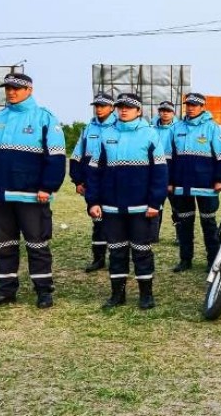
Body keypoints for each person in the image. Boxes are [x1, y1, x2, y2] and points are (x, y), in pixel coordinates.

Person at [0, 73, 66, 309]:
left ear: (29, 90)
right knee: (3, 245)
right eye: (8, 88)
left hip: (32, 196)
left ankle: (44, 291)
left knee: (37, 245)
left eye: (16, 88)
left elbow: (56, 157)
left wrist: (47, 187)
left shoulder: (45, 118)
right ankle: (6, 291)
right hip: (1, 196)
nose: (11, 92)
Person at [86, 93, 168, 309]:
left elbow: (160, 173)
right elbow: (94, 172)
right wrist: (93, 201)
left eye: (129, 107)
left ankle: (146, 295)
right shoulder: (106, 134)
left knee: (142, 251)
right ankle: (117, 295)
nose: (123, 110)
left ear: (138, 111)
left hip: (142, 207)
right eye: (120, 106)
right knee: (116, 251)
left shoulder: (150, 134)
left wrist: (155, 203)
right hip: (111, 207)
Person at [167, 92, 221, 272]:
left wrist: (219, 178)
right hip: (181, 185)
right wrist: (169, 181)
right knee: (184, 224)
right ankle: (185, 260)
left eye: (194, 105)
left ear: (202, 107)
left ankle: (213, 261)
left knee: (209, 224)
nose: (190, 108)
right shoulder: (176, 128)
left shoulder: (212, 128)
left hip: (207, 186)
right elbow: (168, 157)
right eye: (188, 105)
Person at [70, 92, 117, 272]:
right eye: (96, 106)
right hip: (93, 182)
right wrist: (77, 181)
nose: (99, 109)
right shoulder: (88, 129)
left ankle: (117, 259)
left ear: (112, 107)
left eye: (103, 105)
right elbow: (76, 156)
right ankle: (98, 259)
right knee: (97, 220)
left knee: (115, 221)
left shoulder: (120, 126)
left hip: (114, 182)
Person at [149, 100, 179, 244]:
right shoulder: (150, 128)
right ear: (159, 112)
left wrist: (172, 181)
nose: (165, 113)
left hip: (172, 170)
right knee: (155, 205)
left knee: (177, 207)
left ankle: (180, 236)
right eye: (162, 110)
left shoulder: (179, 129)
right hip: (155, 171)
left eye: (168, 111)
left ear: (173, 113)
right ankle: (152, 235)